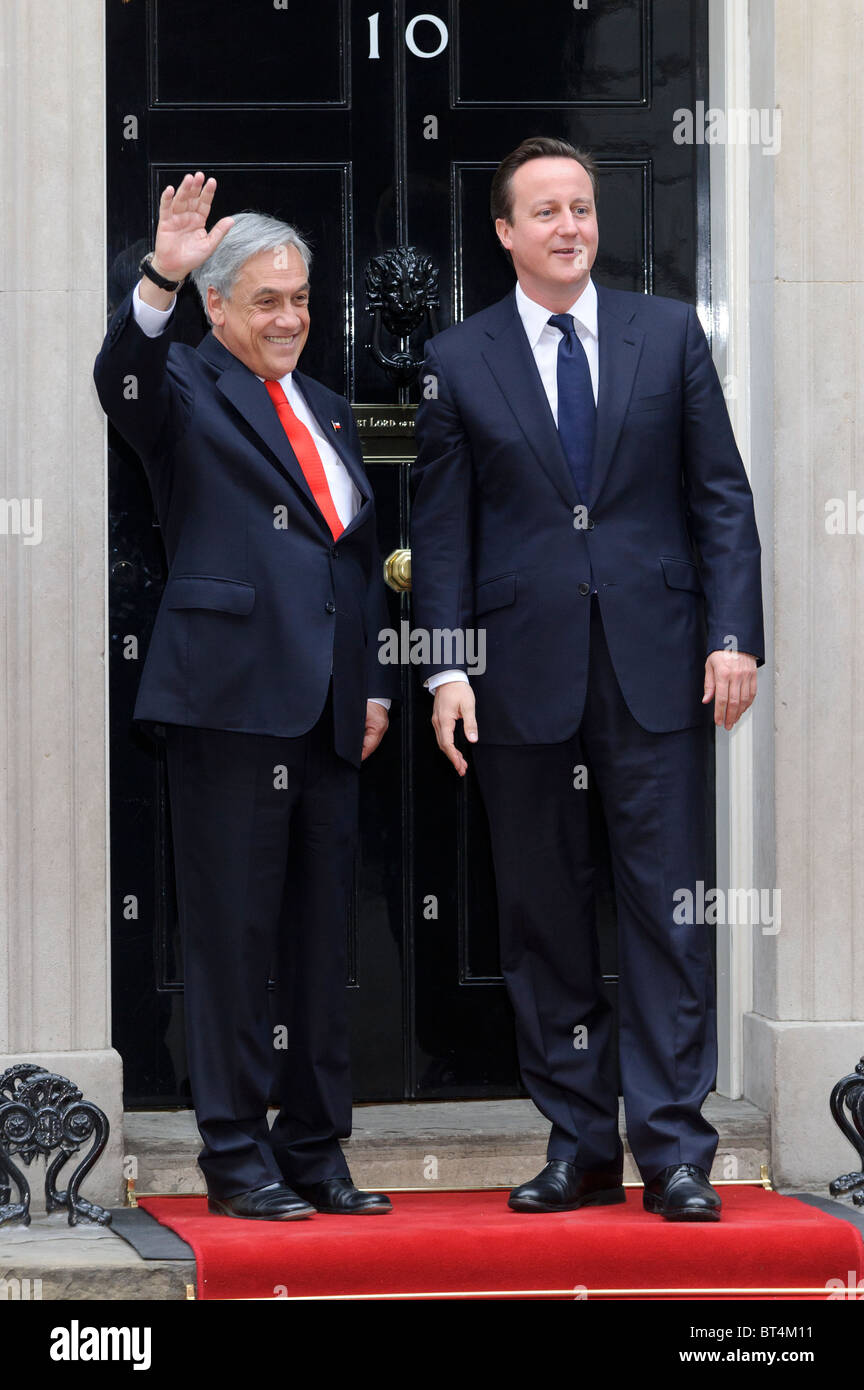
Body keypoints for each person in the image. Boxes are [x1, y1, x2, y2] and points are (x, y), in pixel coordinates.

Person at [410, 137, 764, 1222]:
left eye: (582, 207)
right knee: (543, 921)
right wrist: (445, 669)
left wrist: (734, 634)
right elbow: (444, 529)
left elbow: (720, 495)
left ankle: (674, 1150)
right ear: (506, 233)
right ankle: (577, 1142)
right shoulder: (459, 358)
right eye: (546, 211)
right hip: (519, 679)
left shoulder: (669, 336)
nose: (570, 225)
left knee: (667, 914)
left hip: (660, 670)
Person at [95, 173, 395, 1220]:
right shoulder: (180, 386)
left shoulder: (326, 406)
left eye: (301, 299)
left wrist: (370, 683)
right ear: (218, 306)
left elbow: (349, 563)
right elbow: (119, 380)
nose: (289, 318)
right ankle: (237, 1154)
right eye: (266, 300)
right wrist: (158, 275)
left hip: (326, 708)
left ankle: (316, 1147)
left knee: (325, 936)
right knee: (230, 938)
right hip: (227, 701)